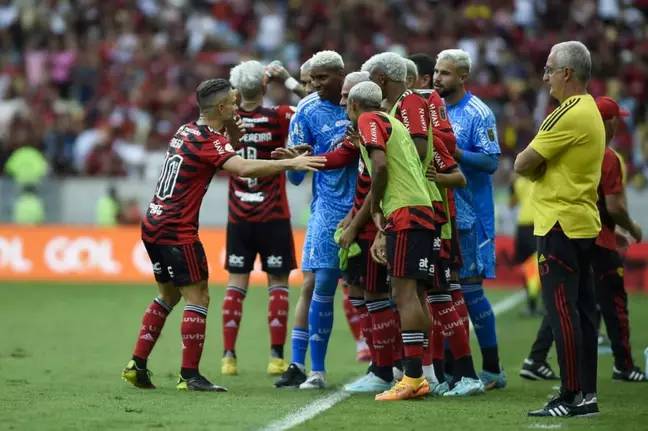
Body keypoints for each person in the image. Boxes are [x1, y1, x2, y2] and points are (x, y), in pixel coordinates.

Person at [121, 78, 325, 392]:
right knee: (198, 295)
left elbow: (225, 146)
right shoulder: (208, 139)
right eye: (233, 102)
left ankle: (137, 363)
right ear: (220, 107)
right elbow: (241, 168)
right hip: (177, 229)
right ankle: (190, 375)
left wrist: (237, 133)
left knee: (169, 295)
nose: (238, 105)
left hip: (154, 222)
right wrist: (290, 163)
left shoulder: (187, 130)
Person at [519, 95, 646, 384]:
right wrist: (631, 228)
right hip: (592, 238)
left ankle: (538, 359)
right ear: (609, 122)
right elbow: (613, 206)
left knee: (564, 302)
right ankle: (616, 369)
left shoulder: (569, 147)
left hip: (564, 230)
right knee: (609, 305)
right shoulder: (608, 156)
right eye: (616, 118)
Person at [514, 41, 604, 417]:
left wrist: (538, 166)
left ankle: (570, 396)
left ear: (567, 73)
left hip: (558, 225)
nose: (545, 76)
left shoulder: (566, 113)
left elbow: (522, 163)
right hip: (581, 223)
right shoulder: (591, 110)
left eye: (550, 68)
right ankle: (587, 395)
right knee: (583, 313)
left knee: (561, 312)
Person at [346, 80, 438, 401]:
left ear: (355, 105)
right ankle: (422, 373)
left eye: (348, 104)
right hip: (420, 209)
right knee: (417, 293)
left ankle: (412, 377)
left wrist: (375, 208)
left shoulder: (369, 119)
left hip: (406, 212)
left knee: (403, 293)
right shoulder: (393, 122)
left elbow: (381, 166)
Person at [274, 51, 357, 390]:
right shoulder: (307, 110)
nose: (315, 85)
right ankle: (313, 369)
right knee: (319, 285)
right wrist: (295, 161)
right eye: (312, 79)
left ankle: (393, 367)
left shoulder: (362, 101)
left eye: (322, 78)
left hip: (371, 207)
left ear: (340, 74)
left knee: (377, 290)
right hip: (328, 213)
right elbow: (295, 178)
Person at [219, 60, 305, 377]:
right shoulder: (279, 116)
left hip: (239, 214)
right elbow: (312, 105)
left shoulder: (227, 120)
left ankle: (228, 356)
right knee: (278, 285)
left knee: (235, 284)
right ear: (265, 87)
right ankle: (276, 357)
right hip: (273, 214)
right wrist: (289, 81)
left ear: (236, 90)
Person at [410, 52, 481, 396]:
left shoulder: (427, 113)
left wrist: (439, 172)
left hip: (438, 217)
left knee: (439, 293)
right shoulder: (423, 112)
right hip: (430, 215)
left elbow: (455, 170)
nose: (436, 78)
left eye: (442, 72)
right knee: (437, 293)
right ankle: (440, 372)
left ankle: (464, 373)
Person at [434, 48, 506, 389]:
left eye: (445, 73)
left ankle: (493, 370)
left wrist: (456, 152)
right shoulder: (433, 110)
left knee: (471, 292)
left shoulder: (479, 113)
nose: (437, 78)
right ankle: (451, 368)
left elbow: (492, 162)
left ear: (463, 77)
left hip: (471, 217)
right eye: (436, 71)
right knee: (446, 293)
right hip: (443, 214)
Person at [510, 174, 542, 316]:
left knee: (528, 267)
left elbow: (511, 204)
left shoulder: (519, 181)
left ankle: (532, 304)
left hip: (522, 227)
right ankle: (535, 303)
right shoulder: (540, 179)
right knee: (536, 266)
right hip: (535, 226)